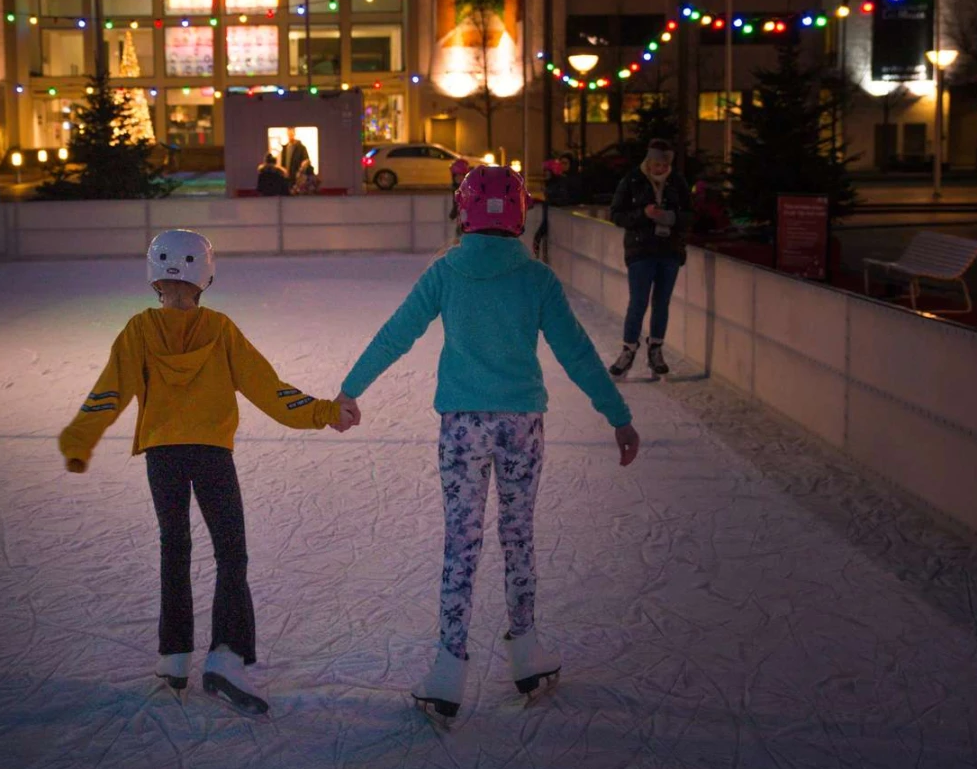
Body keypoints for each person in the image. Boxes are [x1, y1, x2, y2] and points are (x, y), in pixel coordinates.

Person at [338, 166, 641, 718]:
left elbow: (397, 333)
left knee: (462, 541)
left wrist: (350, 389)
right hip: (521, 425)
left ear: (464, 210)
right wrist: (617, 415)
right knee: (518, 537)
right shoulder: (537, 279)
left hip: (461, 426)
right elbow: (577, 353)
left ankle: (449, 667)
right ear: (520, 213)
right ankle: (524, 650)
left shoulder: (446, 273)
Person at [58, 229, 359, 714]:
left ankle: (175, 658)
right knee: (230, 553)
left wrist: (78, 441)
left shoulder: (139, 330)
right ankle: (225, 656)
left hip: (163, 456)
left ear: (155, 277)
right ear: (206, 276)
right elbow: (271, 391)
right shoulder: (219, 329)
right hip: (212, 453)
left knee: (174, 549)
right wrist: (324, 411)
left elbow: (107, 393)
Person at [608, 141, 694, 379]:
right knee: (638, 302)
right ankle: (628, 350)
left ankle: (656, 349)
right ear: (648, 161)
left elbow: (690, 215)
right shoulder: (632, 180)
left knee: (662, 302)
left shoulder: (677, 182)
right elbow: (615, 214)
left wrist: (670, 217)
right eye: (656, 163)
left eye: (664, 164)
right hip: (641, 250)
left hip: (669, 251)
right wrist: (643, 215)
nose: (660, 168)